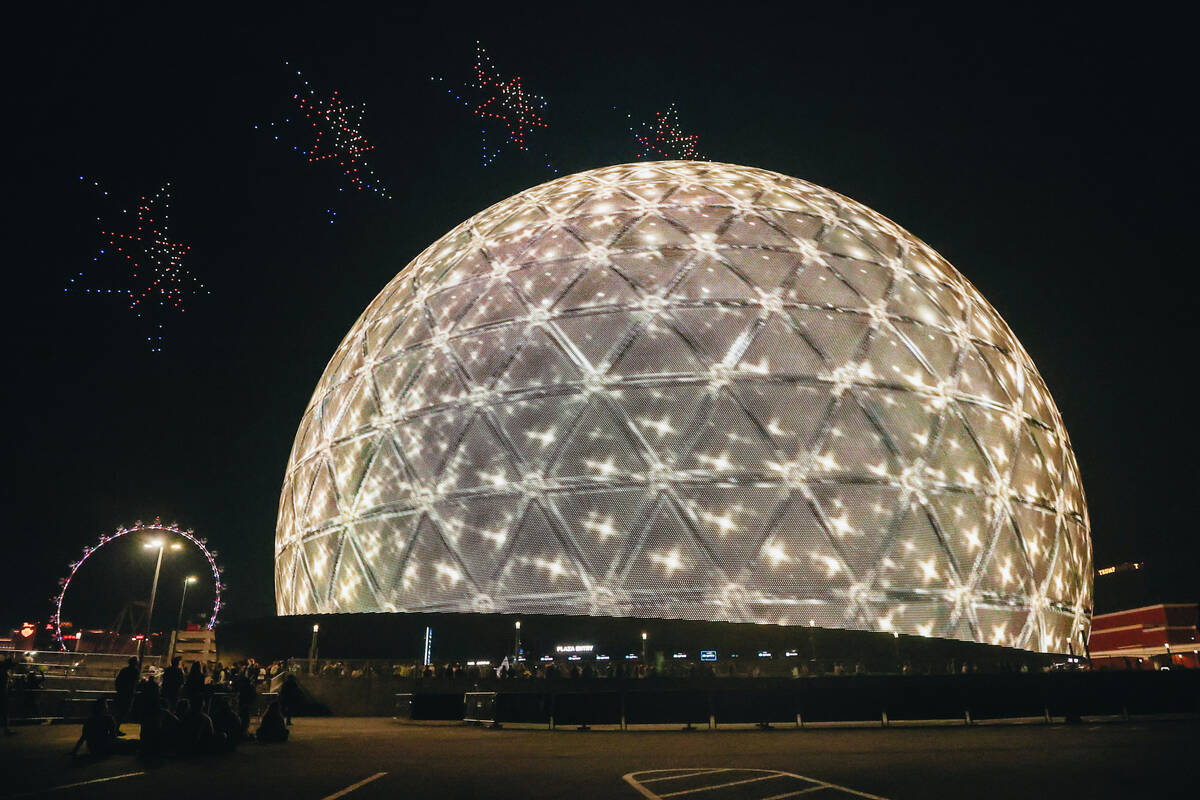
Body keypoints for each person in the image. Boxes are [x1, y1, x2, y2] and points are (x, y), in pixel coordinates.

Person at [113, 657, 139, 733]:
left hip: (122, 693)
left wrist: (119, 689)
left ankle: (115, 728)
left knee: (120, 711)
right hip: (128, 694)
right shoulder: (135, 671)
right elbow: (134, 683)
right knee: (123, 712)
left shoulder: (124, 670)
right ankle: (116, 729)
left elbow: (118, 681)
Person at [234, 672, 256, 737]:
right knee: (245, 717)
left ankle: (242, 730)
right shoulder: (250, 687)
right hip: (246, 703)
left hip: (243, 703)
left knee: (243, 716)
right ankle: (244, 730)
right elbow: (253, 695)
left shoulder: (243, 687)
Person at [1, 653, 15, 736]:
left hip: (3, 691)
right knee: (5, 710)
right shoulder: (4, 672)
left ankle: (6, 729)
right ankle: (6, 729)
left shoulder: (3, 670)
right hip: (3, 692)